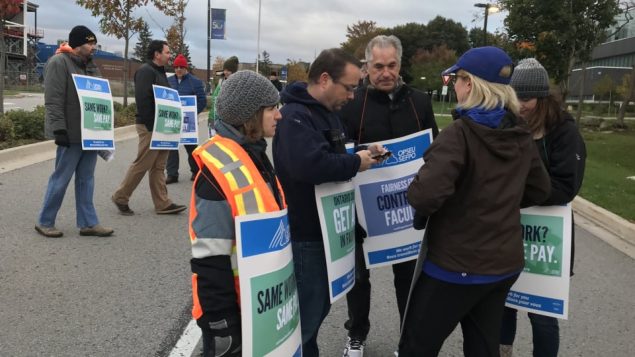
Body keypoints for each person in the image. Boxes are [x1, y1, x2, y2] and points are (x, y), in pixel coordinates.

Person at [399, 46, 552, 356]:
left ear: (469, 83)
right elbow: (540, 189)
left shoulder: (460, 134)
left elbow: (424, 195)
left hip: (454, 266)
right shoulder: (520, 134)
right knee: (483, 347)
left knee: (417, 345)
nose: (454, 84)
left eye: (456, 78)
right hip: (502, 266)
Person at [273, 48, 382, 357]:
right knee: (305, 319)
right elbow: (309, 166)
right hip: (307, 236)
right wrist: (354, 163)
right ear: (324, 79)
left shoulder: (326, 113)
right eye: (348, 86)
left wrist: (362, 152)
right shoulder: (295, 115)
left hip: (329, 232)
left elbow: (334, 153)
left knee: (317, 310)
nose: (352, 95)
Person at [338, 35, 439, 357]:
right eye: (378, 66)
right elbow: (338, 151)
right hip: (363, 208)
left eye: (391, 65)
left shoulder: (419, 101)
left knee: (408, 278)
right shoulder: (353, 103)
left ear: (400, 64)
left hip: (407, 208)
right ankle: (356, 334)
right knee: (359, 276)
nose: (385, 73)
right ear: (367, 67)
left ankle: (406, 339)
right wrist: (360, 153)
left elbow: (435, 148)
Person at [189, 70, 283, 357]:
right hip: (231, 313)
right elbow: (210, 257)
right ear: (250, 115)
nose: (279, 115)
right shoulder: (220, 172)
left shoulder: (254, 154)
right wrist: (222, 324)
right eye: (271, 108)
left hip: (256, 303)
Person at [499, 58, 586, 357]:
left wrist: (516, 192)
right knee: (503, 305)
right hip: (509, 230)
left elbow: (565, 188)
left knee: (543, 315)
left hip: (548, 238)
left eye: (526, 98)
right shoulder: (508, 123)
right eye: (515, 97)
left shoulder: (564, 132)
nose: (520, 105)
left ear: (544, 98)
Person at [35, 25, 114, 238]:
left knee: (86, 179)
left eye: (94, 43)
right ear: (77, 44)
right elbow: (53, 99)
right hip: (70, 133)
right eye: (90, 43)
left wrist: (104, 128)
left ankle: (88, 223)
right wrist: (58, 128)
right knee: (61, 178)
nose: (93, 47)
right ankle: (45, 221)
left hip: (90, 134)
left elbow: (99, 100)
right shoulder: (58, 63)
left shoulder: (91, 66)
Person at [111, 40, 186, 215]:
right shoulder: (146, 72)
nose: (170, 56)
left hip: (162, 127)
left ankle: (162, 203)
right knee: (143, 163)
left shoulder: (160, 73)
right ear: (157, 54)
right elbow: (143, 100)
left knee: (159, 166)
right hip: (150, 126)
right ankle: (121, 196)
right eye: (167, 52)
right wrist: (152, 126)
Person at [165, 53, 207, 184]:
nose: (178, 69)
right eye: (176, 67)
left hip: (188, 122)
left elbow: (202, 100)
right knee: (172, 148)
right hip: (172, 121)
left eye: (181, 67)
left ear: (186, 68)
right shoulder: (168, 81)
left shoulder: (195, 82)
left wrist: (193, 112)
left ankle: (196, 171)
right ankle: (172, 174)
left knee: (191, 148)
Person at [209, 56, 239, 125]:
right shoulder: (221, 82)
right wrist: (211, 117)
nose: (225, 72)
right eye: (225, 70)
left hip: (229, 122)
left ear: (234, 72)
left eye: (228, 70)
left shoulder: (237, 85)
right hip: (216, 119)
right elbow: (214, 100)